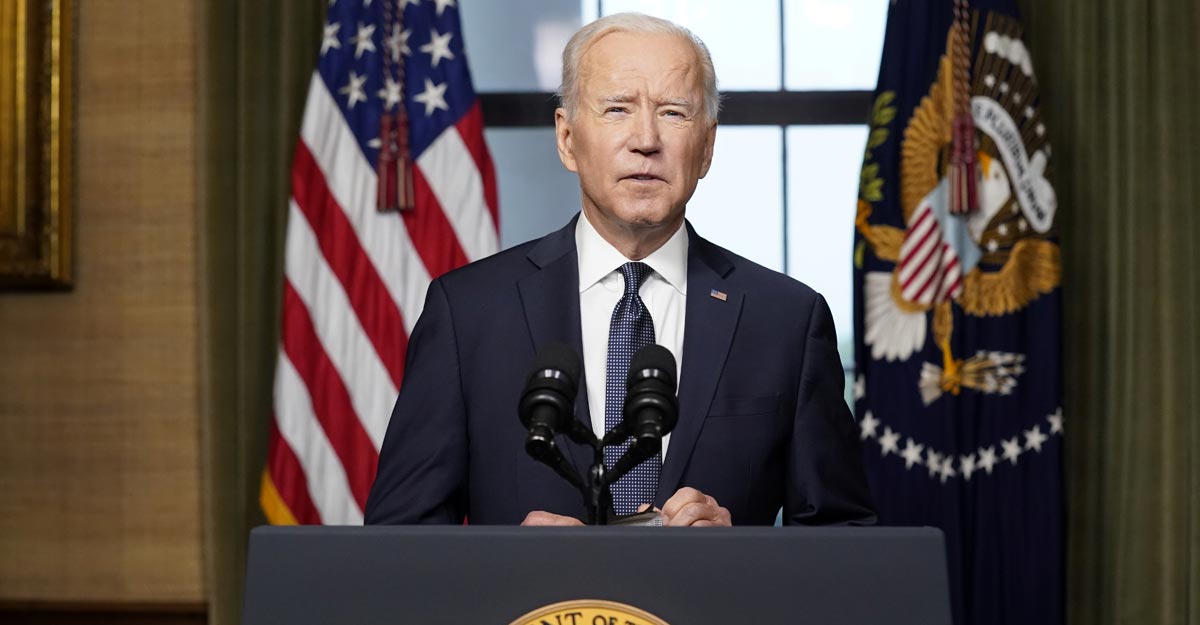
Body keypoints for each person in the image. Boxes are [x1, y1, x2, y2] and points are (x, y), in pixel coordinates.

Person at [364, 13, 875, 527]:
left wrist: (741, 553)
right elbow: (397, 541)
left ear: (707, 147)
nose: (646, 139)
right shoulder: (467, 314)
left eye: (673, 113)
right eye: (617, 109)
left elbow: (846, 542)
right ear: (567, 138)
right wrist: (507, 562)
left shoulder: (786, 320)